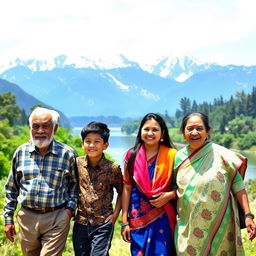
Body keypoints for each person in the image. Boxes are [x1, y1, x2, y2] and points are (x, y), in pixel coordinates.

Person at [174, 112, 256, 255]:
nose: (194, 132)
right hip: (188, 227)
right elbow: (174, 188)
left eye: (199, 128)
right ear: (183, 132)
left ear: (208, 132)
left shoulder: (223, 155)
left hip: (222, 225)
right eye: (190, 128)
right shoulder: (178, 158)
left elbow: (238, 186)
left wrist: (248, 215)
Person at [3, 107, 78, 256]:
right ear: (30, 128)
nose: (40, 131)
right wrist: (8, 219)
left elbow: (75, 186)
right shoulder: (21, 152)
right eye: (35, 126)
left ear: (55, 129)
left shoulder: (67, 154)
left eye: (46, 126)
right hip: (27, 218)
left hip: (56, 217)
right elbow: (12, 188)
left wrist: (69, 211)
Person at [121, 113, 177, 256]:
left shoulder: (172, 155)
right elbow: (127, 187)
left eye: (155, 130)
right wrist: (124, 221)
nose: (150, 133)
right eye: (146, 129)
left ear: (162, 133)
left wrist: (169, 195)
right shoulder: (131, 155)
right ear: (140, 131)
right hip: (137, 216)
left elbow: (183, 186)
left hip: (163, 214)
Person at [72, 121, 123, 256]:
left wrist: (115, 215)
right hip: (81, 222)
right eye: (88, 141)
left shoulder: (113, 168)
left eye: (97, 141)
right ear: (82, 144)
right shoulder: (77, 163)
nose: (92, 145)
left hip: (103, 223)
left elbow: (122, 191)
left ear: (105, 145)